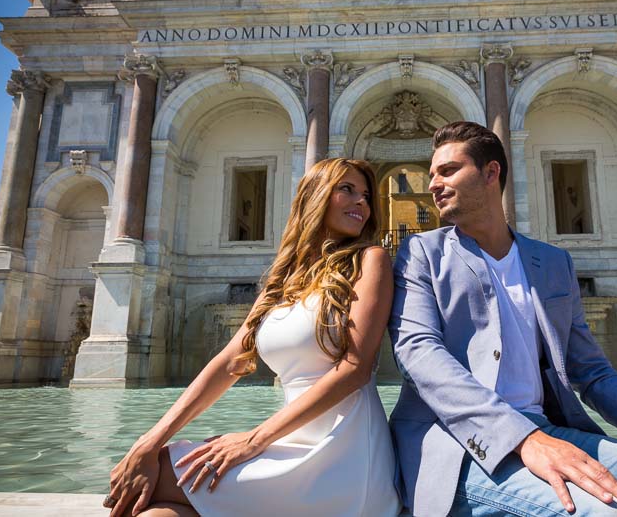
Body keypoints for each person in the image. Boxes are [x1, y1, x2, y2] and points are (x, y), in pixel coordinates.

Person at [388, 121, 617, 517]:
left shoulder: (552, 262)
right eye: (432, 174)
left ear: (491, 172)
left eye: (447, 171)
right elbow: (419, 353)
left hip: (551, 434)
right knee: (605, 513)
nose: (432, 184)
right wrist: (521, 438)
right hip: (459, 446)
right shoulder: (421, 252)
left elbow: (593, 374)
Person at [105, 158, 401, 517]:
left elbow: (355, 368)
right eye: (347, 190)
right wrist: (151, 439)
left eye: (366, 196)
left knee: (158, 474)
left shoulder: (370, 260)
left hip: (343, 453)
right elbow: (231, 361)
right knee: (147, 497)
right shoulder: (284, 278)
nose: (362, 203)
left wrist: (253, 439)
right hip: (287, 439)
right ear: (316, 196)